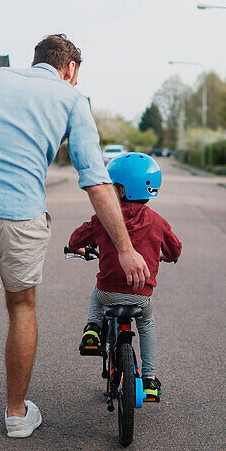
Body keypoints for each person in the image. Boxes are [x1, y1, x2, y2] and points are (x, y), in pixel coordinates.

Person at [0, 34, 148, 451]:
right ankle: (17, 415)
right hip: (19, 215)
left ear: (34, 60)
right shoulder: (71, 99)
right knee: (21, 307)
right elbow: (96, 179)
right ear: (71, 69)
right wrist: (126, 247)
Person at [68, 153, 181, 402]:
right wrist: (168, 257)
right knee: (147, 324)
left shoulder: (103, 219)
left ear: (119, 190)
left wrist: (76, 247)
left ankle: (92, 330)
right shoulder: (157, 220)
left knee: (97, 297)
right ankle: (149, 379)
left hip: (109, 290)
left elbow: (75, 239)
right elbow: (175, 249)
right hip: (141, 296)